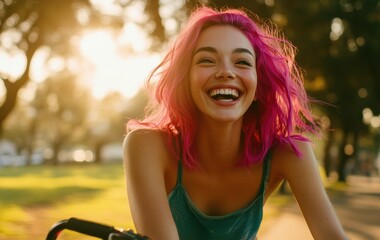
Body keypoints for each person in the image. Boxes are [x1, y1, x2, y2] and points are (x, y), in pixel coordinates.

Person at [123, 6, 348, 240]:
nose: (226, 72)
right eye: (207, 60)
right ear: (185, 80)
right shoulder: (146, 145)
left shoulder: (289, 153)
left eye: (242, 62)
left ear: (259, 86)